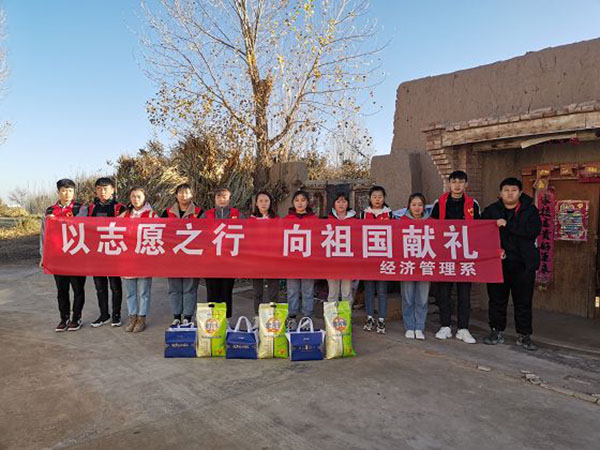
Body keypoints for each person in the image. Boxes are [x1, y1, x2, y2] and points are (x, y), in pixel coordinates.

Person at [482, 177, 542, 351]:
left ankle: (524, 335)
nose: (510, 193)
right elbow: (481, 233)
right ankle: (496, 331)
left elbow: (532, 231)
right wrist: (495, 248)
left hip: (523, 264)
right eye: (506, 190)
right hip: (498, 263)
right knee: (496, 300)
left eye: (513, 190)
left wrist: (507, 225)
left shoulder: (530, 210)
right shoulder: (491, 211)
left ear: (520, 193)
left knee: (523, 301)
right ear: (500, 193)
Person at [431, 170, 480, 344]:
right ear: (449, 184)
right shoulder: (439, 203)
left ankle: (463, 328)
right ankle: (445, 326)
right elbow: (432, 227)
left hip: (464, 256)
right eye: (454, 182)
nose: (457, 185)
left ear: (466, 184)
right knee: (444, 292)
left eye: (460, 182)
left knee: (464, 293)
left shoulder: (473, 204)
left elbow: (479, 228)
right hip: (444, 254)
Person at [40, 178, 87, 332]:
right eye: (64, 191)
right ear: (58, 192)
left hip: (76, 256)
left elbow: (81, 225)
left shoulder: (80, 209)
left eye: (70, 191)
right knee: (62, 290)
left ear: (74, 192)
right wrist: (43, 256)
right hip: (57, 257)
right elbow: (43, 234)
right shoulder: (50, 211)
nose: (67, 194)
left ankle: (76, 318)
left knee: (78, 289)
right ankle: (63, 318)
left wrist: (58, 221)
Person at [85, 177, 127, 328]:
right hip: (97, 253)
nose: (102, 192)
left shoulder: (120, 208)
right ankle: (104, 315)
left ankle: (116, 315)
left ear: (112, 190)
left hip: (114, 252)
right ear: (95, 191)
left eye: (105, 189)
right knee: (100, 286)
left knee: (115, 285)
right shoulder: (90, 209)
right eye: (99, 189)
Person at [161, 183, 203, 326]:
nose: (184, 196)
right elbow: (161, 232)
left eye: (187, 193)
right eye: (180, 193)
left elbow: (206, 233)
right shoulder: (167, 213)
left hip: (192, 257)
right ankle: (177, 316)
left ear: (192, 195)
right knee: (175, 288)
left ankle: (188, 317)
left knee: (190, 289)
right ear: (176, 195)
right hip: (173, 258)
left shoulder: (200, 213)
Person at [119, 187, 158, 333]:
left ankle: (141, 318)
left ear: (144, 198)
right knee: (130, 292)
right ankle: (132, 317)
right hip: (127, 258)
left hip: (144, 259)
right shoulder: (125, 214)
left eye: (139, 196)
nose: (136, 199)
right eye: (133, 196)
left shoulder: (152, 215)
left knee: (143, 292)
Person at [360, 185, 394, 335]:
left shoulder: (390, 214)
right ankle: (369, 317)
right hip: (368, 259)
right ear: (369, 198)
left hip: (383, 258)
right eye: (374, 197)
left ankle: (381, 319)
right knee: (369, 290)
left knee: (382, 291)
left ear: (384, 198)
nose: (377, 199)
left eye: (380, 197)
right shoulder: (363, 214)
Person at [202, 187, 240, 319]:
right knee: (212, 290)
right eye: (218, 197)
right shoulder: (207, 215)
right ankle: (212, 319)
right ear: (214, 199)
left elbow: (245, 232)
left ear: (229, 199)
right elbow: (198, 233)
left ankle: (226, 320)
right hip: (211, 260)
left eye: (224, 197)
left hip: (229, 260)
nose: (221, 200)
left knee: (226, 291)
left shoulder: (237, 214)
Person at [400, 193, 431, 340]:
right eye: (414, 205)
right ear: (409, 206)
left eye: (420, 205)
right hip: (407, 266)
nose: (417, 208)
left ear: (424, 206)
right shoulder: (401, 222)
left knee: (422, 298)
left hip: (425, 266)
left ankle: (419, 327)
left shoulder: (431, 222)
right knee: (408, 298)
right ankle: (409, 326)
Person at [285, 190, 316, 331]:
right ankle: (292, 317)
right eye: (297, 200)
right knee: (292, 290)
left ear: (307, 202)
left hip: (309, 263)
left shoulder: (314, 220)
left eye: (303, 200)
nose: (300, 203)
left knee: (308, 291)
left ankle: (307, 318)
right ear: (293, 202)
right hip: (292, 263)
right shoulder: (287, 219)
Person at [250, 191, 280, 318]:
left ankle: (274, 316)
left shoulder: (276, 219)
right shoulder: (251, 220)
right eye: (261, 201)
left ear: (270, 203)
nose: (263, 203)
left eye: (266, 201)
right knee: (258, 291)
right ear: (256, 203)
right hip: (256, 260)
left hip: (272, 260)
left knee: (273, 291)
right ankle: (257, 317)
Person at [326, 192, 356, 306]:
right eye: (338, 201)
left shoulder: (354, 220)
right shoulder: (327, 220)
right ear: (334, 204)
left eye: (344, 201)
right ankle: (332, 316)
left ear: (348, 203)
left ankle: (345, 316)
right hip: (331, 261)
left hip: (348, 261)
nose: (341, 204)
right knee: (332, 292)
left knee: (346, 292)